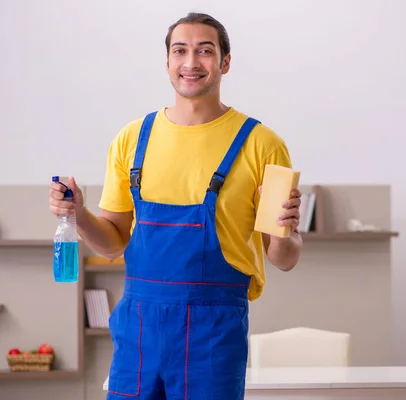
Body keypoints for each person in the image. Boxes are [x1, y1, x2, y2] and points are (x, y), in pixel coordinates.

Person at [49, 11, 302, 400]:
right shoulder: (132, 139)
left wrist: (288, 229)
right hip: (139, 327)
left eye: (205, 51)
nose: (191, 62)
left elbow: (282, 258)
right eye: (180, 50)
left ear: (225, 62)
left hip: (213, 330)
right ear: (167, 62)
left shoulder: (262, 145)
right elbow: (114, 242)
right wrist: (78, 214)